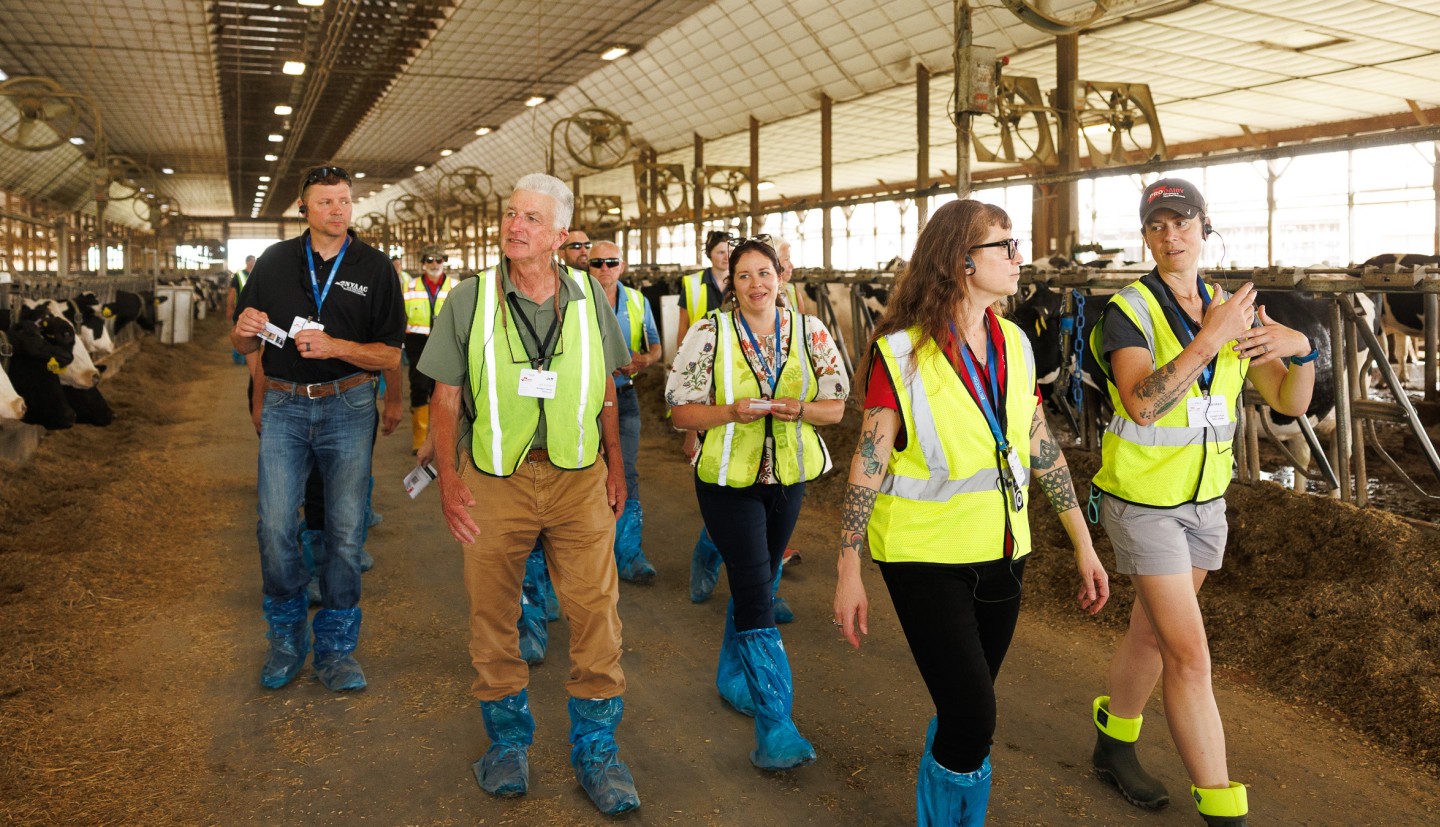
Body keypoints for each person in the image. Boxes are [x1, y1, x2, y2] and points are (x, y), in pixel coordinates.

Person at [832, 199, 1110, 825]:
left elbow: (1040, 446)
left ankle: (949, 797)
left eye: (1016, 245)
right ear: (961, 261)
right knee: (975, 715)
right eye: (1004, 247)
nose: (1019, 258)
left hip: (1003, 551)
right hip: (923, 555)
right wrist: (848, 568)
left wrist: (1083, 545)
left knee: (968, 705)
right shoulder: (900, 353)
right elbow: (868, 461)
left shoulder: (1014, 341)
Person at [1085, 179, 1316, 827]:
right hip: (1143, 501)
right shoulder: (1128, 311)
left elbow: (1289, 401)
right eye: (1156, 225)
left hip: (1205, 500)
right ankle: (1223, 809)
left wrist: (1304, 350)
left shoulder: (1231, 308)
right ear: (1146, 235)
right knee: (1190, 655)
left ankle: (1112, 741)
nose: (1169, 234)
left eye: (1181, 221)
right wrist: (1210, 339)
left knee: (1152, 635)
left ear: (1204, 227)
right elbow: (1142, 401)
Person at [418, 173, 640, 815]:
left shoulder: (592, 298)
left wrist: (617, 467)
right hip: (496, 476)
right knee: (493, 613)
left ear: (561, 235)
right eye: (511, 214)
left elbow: (604, 388)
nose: (515, 226)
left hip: (578, 477)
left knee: (596, 611)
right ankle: (508, 745)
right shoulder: (470, 297)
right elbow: (447, 394)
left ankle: (597, 751)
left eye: (532, 219)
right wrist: (450, 482)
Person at [667, 238, 849, 771]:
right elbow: (681, 413)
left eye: (764, 273)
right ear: (731, 283)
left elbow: (837, 408)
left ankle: (732, 676)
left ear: (781, 277)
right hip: (728, 482)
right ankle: (776, 726)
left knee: (762, 580)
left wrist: (800, 409)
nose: (755, 284)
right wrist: (728, 412)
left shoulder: (811, 332)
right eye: (743, 276)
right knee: (753, 585)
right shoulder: (709, 333)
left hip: (788, 478)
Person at [231, 164, 404, 693]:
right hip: (285, 404)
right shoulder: (277, 262)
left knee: (347, 531)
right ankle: (285, 641)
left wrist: (337, 347)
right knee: (275, 524)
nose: (337, 210)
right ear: (303, 208)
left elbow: (390, 353)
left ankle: (335, 647)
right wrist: (241, 334)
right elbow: (246, 345)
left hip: (348, 405)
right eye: (325, 201)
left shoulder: (375, 268)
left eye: (345, 201)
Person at [591, 239, 662, 583]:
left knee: (627, 472)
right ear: (586, 266)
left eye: (611, 262)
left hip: (625, 398)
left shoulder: (637, 300)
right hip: (587, 401)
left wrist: (643, 361)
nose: (604, 268)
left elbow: (656, 347)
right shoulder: (575, 300)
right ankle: (592, 552)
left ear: (622, 265)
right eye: (597, 263)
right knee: (584, 475)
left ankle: (630, 553)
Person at [678, 230, 733, 604]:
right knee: (724, 497)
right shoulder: (696, 291)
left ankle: (767, 590)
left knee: (773, 510)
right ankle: (708, 552)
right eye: (720, 251)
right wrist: (691, 428)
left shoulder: (791, 317)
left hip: (769, 421)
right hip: (713, 401)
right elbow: (685, 340)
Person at [402, 244, 457, 453]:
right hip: (417, 342)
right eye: (429, 260)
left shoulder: (455, 285)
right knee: (419, 387)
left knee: (441, 390)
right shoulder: (411, 286)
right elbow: (401, 315)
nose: (434, 264)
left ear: (444, 262)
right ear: (423, 263)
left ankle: (438, 437)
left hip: (445, 342)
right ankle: (419, 438)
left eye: (438, 260)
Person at [229, 255, 257, 365]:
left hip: (254, 309)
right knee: (240, 332)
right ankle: (240, 357)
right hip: (241, 308)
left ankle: (247, 356)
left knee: (251, 333)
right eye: (252, 260)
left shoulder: (258, 273)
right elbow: (232, 291)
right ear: (248, 262)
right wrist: (229, 307)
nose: (254, 262)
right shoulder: (239, 275)